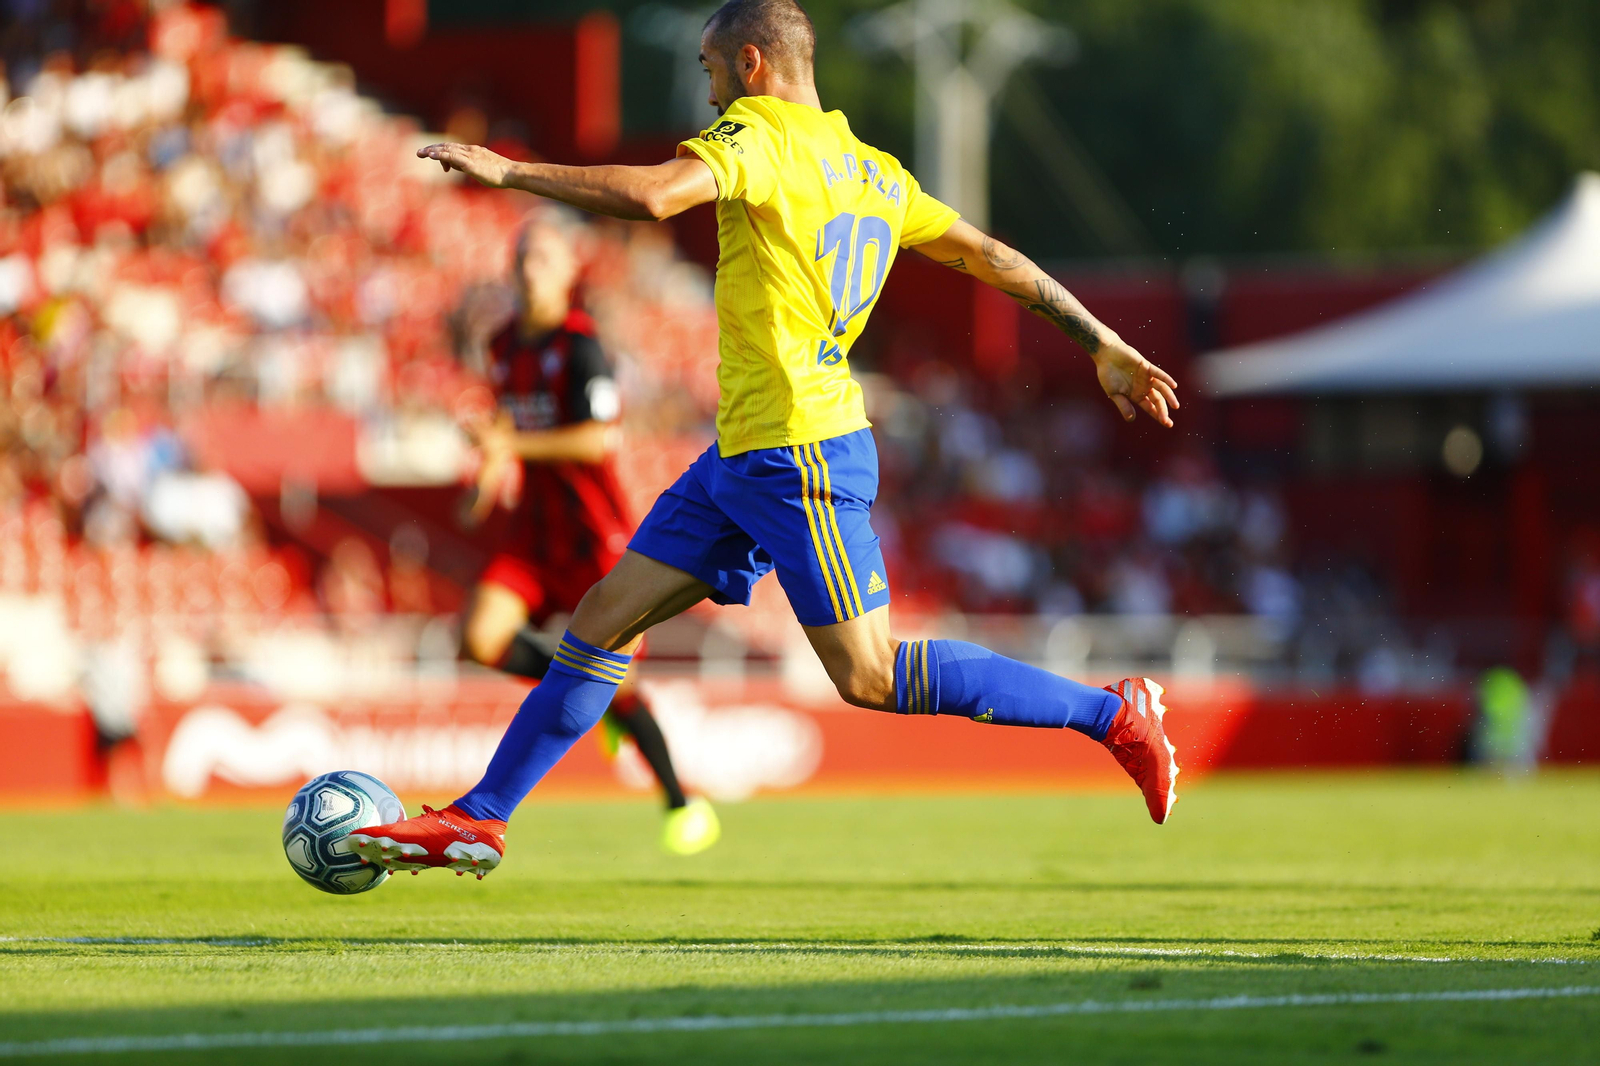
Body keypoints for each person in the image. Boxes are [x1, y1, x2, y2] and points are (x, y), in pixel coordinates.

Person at [350, 0, 1182, 879]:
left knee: (869, 677)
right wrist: (1103, 343)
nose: (706, 98)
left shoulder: (756, 138)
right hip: (741, 458)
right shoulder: (875, 173)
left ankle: (1112, 713)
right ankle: (482, 818)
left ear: (751, 64)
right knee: (600, 619)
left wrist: (510, 172)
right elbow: (991, 256)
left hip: (802, 454)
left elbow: (653, 196)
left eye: (710, 73)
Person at [455, 215, 720, 856]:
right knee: (479, 638)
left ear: (570, 273)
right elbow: (501, 428)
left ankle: (682, 806)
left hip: (594, 536)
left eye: (543, 258)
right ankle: (588, 694)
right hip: (533, 537)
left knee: (618, 684)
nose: (529, 268)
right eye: (522, 256)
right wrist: (489, 471)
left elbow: (599, 438)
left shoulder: (581, 346)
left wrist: (510, 442)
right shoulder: (502, 345)